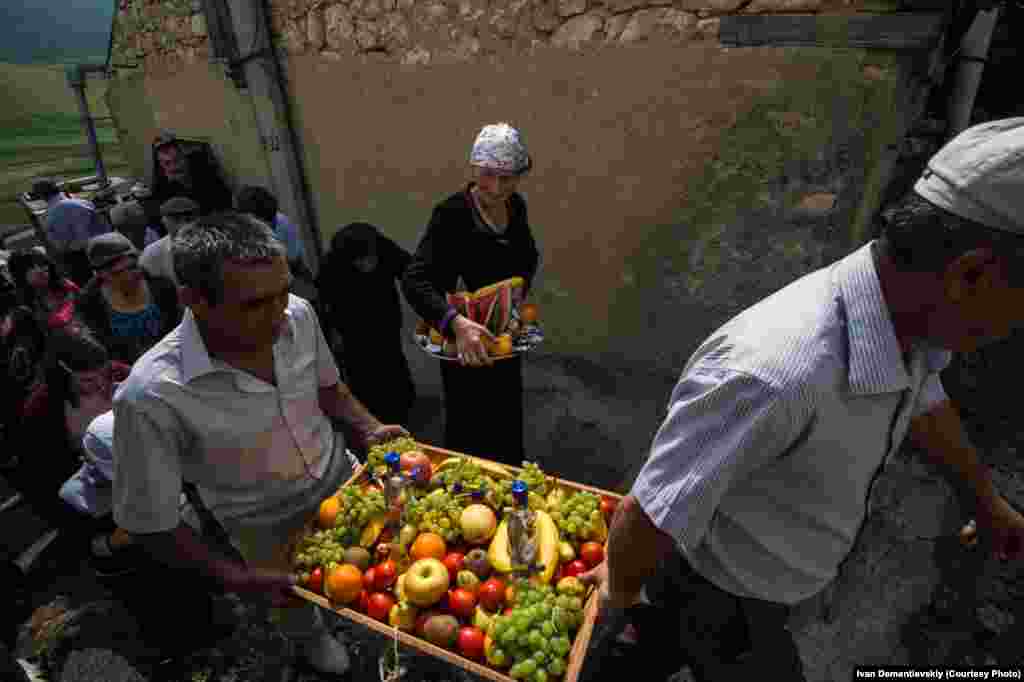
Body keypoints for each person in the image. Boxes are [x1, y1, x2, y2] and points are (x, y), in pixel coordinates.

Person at [578, 118, 1024, 682]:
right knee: (651, 642)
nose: (1014, 328)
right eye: (1019, 307)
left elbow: (925, 401)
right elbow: (650, 512)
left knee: (640, 659)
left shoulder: (909, 330)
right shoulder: (774, 373)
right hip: (725, 598)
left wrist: (985, 502)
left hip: (757, 594)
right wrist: (617, 598)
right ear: (971, 274)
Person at [111, 211, 409, 676]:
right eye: (254, 304)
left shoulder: (299, 314)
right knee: (295, 609)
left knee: (392, 576)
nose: (279, 314)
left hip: (345, 484)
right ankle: (312, 641)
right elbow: (151, 522)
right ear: (194, 300)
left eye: (282, 291)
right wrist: (237, 576)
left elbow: (329, 388)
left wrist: (368, 428)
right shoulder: (149, 395)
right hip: (266, 530)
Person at [402, 122, 540, 466]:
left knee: (507, 423)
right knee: (470, 433)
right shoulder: (452, 215)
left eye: (507, 178)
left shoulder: (516, 207)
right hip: (463, 345)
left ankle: (510, 490)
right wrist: (456, 323)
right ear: (474, 168)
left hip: (503, 341)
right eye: (488, 174)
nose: (496, 187)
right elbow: (415, 279)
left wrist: (512, 297)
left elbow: (528, 256)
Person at [6, 326, 131, 557]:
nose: (101, 385)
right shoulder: (41, 409)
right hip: (90, 483)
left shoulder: (120, 375)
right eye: (87, 380)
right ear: (63, 373)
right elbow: (43, 478)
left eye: (104, 373)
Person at [317, 222, 415, 426]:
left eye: (370, 258)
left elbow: (411, 271)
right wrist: (332, 337)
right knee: (363, 375)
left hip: (386, 320)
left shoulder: (381, 246)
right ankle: (370, 421)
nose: (367, 264)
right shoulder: (332, 264)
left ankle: (404, 412)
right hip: (352, 328)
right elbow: (325, 306)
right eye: (360, 260)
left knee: (393, 365)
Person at [77, 233, 181, 365]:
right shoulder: (90, 304)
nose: (129, 277)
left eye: (132, 267)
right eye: (117, 273)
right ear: (100, 274)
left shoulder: (162, 287)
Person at [31, 178, 110, 286]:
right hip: (103, 248)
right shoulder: (83, 202)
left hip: (79, 258)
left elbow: (62, 244)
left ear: (42, 195)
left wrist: (46, 236)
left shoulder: (52, 214)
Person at [148, 132, 233, 217]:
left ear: (186, 159)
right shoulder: (162, 188)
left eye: (177, 160)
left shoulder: (207, 178)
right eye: (167, 163)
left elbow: (224, 207)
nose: (173, 167)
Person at [6, 248, 79, 330]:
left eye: (41, 264)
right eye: (31, 267)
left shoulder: (65, 285)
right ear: (20, 275)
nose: (39, 270)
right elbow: (56, 321)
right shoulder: (23, 307)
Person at [139, 196, 199, 286]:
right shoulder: (152, 253)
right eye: (176, 219)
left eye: (189, 219)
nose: (183, 224)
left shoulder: (213, 243)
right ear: (163, 221)